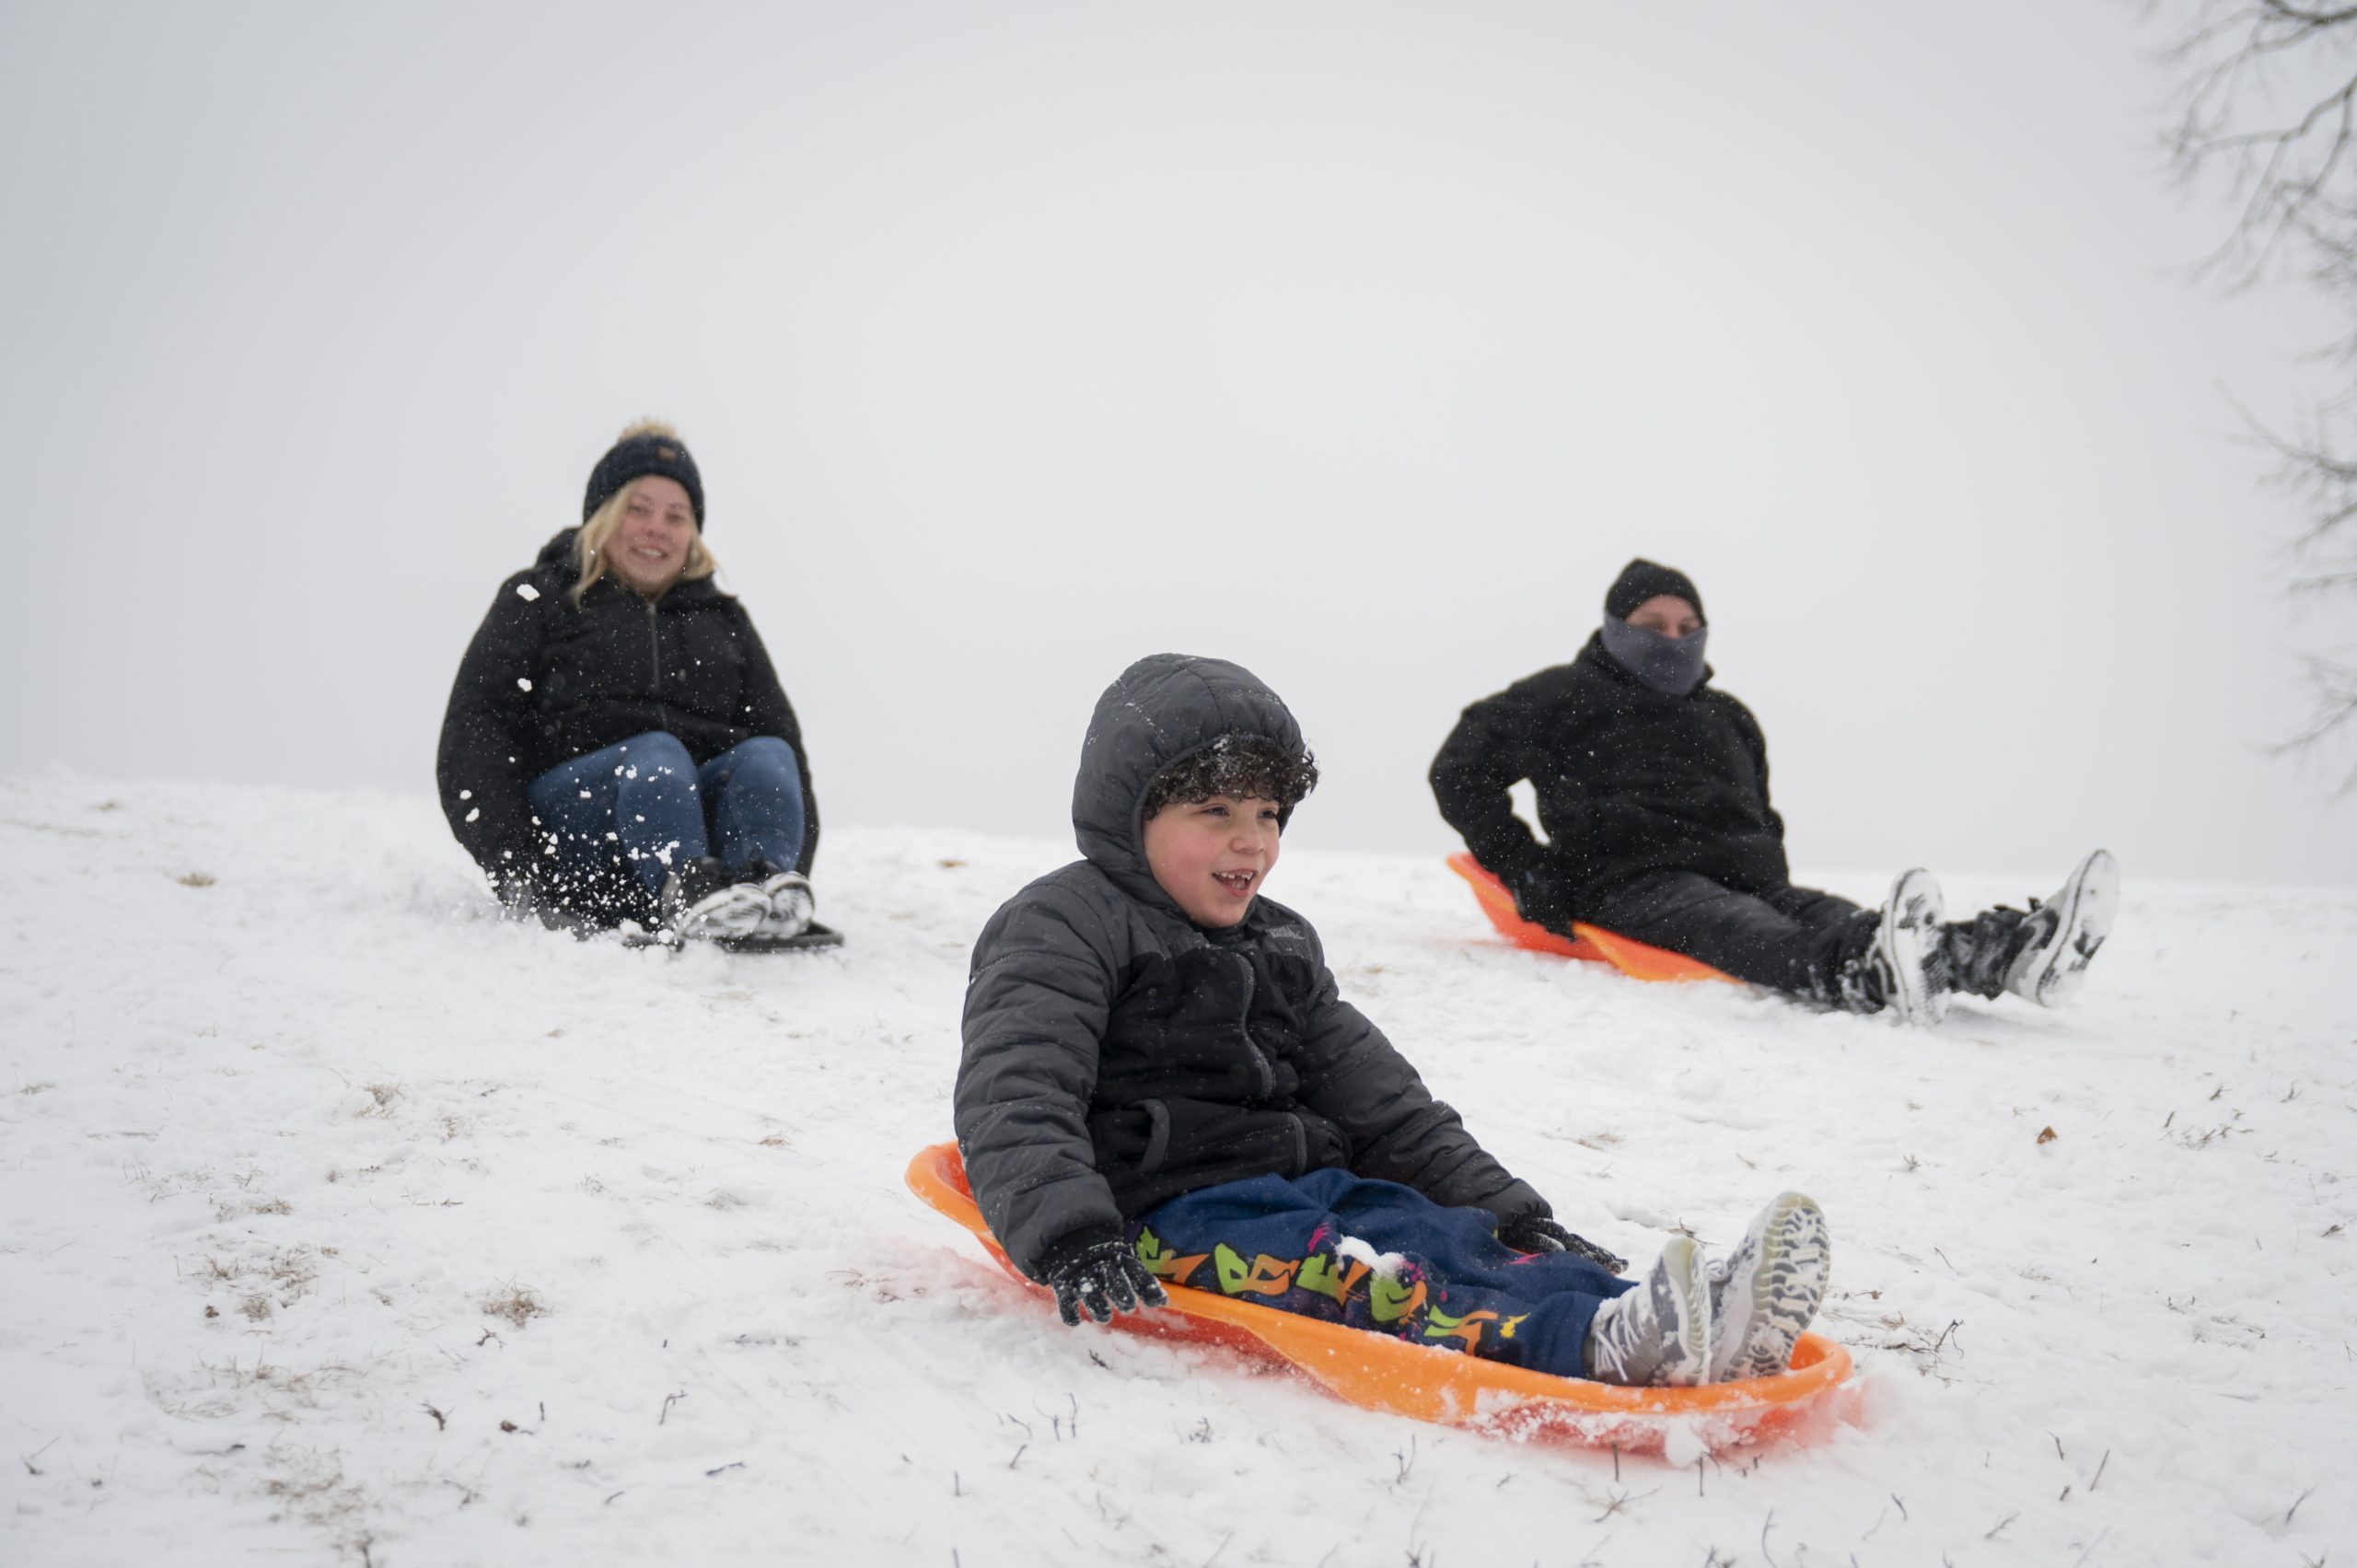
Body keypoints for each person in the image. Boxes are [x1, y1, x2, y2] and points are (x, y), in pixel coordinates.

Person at [954, 653, 1829, 1386]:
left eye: (1267, 814)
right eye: (1214, 811)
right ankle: (1597, 1346)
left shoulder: (1281, 942)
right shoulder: (1065, 922)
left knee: (1447, 1237)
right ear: (1129, 816)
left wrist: (1505, 1209)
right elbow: (1017, 1087)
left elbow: (1384, 1103)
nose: (1251, 841)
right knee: (1383, 1282)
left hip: (1306, 1187)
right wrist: (1074, 1232)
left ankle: (1684, 1313)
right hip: (1167, 1215)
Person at [1430, 558, 2117, 1025]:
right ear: (1615, 629)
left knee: (1842, 916)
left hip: (1746, 877)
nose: (1673, 637)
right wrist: (1524, 864)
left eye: (1686, 626)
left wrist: (1766, 875)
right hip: (1634, 880)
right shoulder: (1565, 695)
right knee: (1749, 931)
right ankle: (1863, 976)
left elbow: (1762, 815)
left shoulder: (1726, 715)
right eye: (1652, 625)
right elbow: (1460, 767)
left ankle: (2007, 954)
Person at [436, 420, 820, 944]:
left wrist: (796, 856)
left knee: (767, 756)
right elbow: (477, 732)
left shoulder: (724, 622)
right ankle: (684, 888)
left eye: (675, 516)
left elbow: (787, 750)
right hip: (579, 841)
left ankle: (761, 890)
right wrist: (519, 869)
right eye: (638, 509)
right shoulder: (540, 599)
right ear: (605, 515)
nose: (656, 528)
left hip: (699, 844)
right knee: (657, 758)